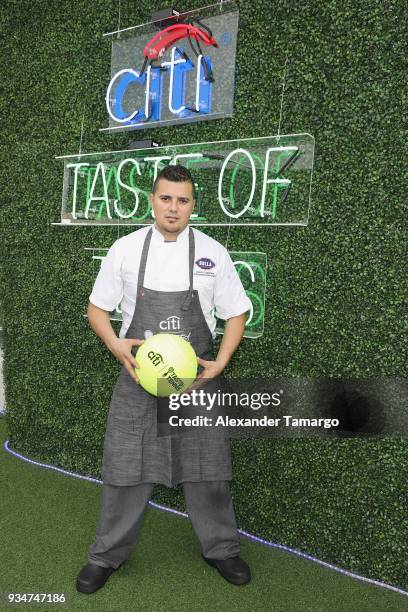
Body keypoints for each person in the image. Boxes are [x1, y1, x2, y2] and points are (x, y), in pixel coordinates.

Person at [76, 164, 252, 593]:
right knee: (126, 469)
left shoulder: (213, 252)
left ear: (194, 205)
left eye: (183, 200)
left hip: (195, 383)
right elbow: (97, 309)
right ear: (153, 200)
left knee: (208, 471)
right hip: (138, 380)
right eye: (166, 198)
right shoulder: (125, 249)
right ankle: (105, 556)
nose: (174, 207)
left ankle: (222, 549)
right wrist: (115, 345)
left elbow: (236, 312)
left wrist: (222, 362)